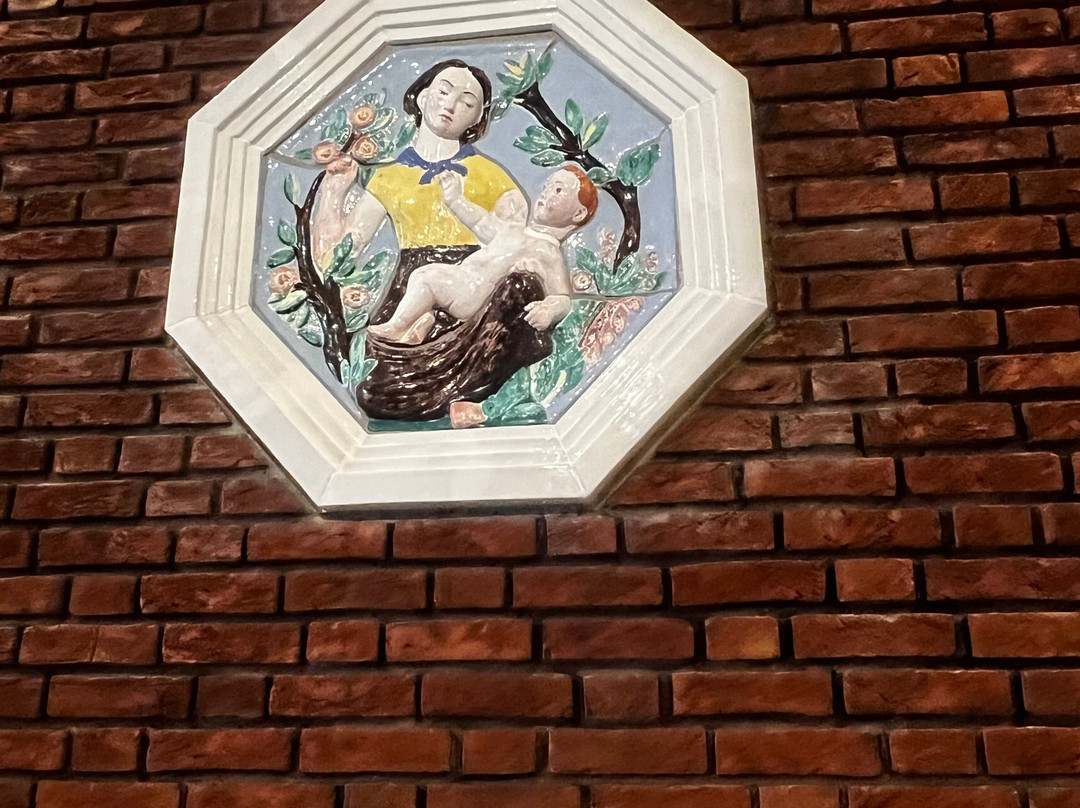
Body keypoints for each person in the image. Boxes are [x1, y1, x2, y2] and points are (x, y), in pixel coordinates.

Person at [312, 58, 527, 332]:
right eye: (444, 91)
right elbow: (340, 254)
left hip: (472, 286)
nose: (450, 105)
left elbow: (516, 246)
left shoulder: (491, 176)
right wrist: (333, 193)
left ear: (477, 119)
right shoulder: (390, 178)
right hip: (409, 291)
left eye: (467, 102)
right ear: (423, 97)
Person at [368, 166, 598, 345]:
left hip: (472, 293)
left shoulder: (546, 250)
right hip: (462, 280)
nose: (546, 193)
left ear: (578, 214)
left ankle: (397, 326)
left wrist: (548, 310)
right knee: (425, 277)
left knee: (424, 277)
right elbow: (480, 222)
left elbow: (561, 297)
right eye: (547, 187)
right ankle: (420, 324)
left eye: (558, 190)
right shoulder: (515, 230)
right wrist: (455, 200)